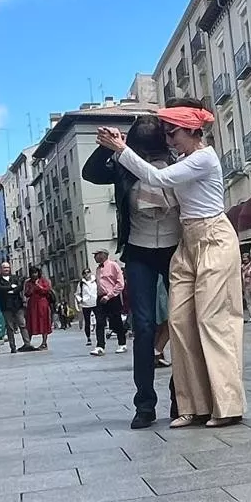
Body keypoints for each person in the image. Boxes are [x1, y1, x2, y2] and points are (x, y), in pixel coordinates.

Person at [96, 103, 245, 428]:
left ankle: (227, 404)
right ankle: (192, 406)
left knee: (211, 321)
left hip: (212, 238)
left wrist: (122, 149)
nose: (169, 140)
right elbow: (97, 173)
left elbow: (159, 178)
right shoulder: (185, 159)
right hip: (184, 245)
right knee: (178, 323)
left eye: (173, 133)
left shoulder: (204, 158)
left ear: (192, 130)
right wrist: (114, 145)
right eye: (166, 135)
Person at [83, 113, 183, 428]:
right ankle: (144, 405)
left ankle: (180, 398)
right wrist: (109, 145)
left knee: (180, 323)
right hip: (138, 251)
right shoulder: (124, 165)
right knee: (142, 327)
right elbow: (91, 172)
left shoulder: (178, 164)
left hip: (174, 249)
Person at [89, 250, 128, 356]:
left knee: (116, 321)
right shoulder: (98, 269)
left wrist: (109, 295)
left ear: (103, 255)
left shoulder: (113, 266)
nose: (94, 258)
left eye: (96, 255)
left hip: (112, 297)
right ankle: (100, 346)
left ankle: (122, 343)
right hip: (100, 298)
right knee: (100, 322)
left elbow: (120, 283)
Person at [0, 262, 29, 353]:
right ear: (1, 269)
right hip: (6, 306)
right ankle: (12, 347)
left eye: (8, 268)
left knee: (23, 324)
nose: (6, 269)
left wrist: (12, 291)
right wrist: (11, 287)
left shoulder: (15, 278)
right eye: (4, 268)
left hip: (18, 304)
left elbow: (20, 287)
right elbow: (0, 288)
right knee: (9, 327)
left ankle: (27, 344)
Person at [24, 266, 53, 349]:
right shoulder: (28, 282)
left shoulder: (43, 281)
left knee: (44, 322)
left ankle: (44, 343)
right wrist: (32, 288)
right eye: (32, 273)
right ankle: (28, 343)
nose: (34, 274)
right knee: (31, 323)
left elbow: (47, 290)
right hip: (32, 305)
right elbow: (27, 293)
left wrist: (38, 286)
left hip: (42, 304)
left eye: (35, 272)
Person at [76, 268, 98, 345]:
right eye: (85, 273)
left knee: (99, 320)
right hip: (86, 305)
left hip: (95, 303)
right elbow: (77, 294)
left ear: (90, 273)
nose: (86, 274)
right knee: (87, 322)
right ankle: (88, 338)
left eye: (88, 272)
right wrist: (80, 300)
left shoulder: (95, 280)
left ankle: (99, 337)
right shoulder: (81, 283)